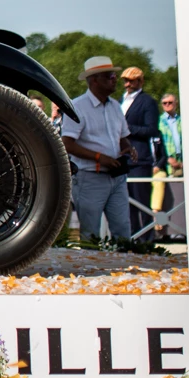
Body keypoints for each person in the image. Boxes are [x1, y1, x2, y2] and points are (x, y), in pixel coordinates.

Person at [60, 55, 134, 243]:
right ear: (94, 80)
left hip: (116, 176)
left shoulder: (115, 106)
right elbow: (67, 143)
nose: (114, 79)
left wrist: (129, 149)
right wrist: (100, 157)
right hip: (90, 177)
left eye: (113, 76)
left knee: (123, 229)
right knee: (90, 233)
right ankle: (90, 270)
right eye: (109, 76)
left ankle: (124, 269)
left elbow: (123, 137)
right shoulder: (77, 106)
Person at [119, 67, 161, 235]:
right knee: (127, 203)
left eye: (132, 81)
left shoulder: (147, 101)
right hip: (122, 158)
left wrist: (127, 129)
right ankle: (131, 237)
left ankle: (146, 239)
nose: (128, 84)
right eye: (125, 81)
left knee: (141, 201)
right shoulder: (119, 101)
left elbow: (151, 129)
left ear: (140, 81)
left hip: (140, 159)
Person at [154, 92, 184, 238]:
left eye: (170, 102)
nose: (167, 105)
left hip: (182, 161)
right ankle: (164, 230)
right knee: (167, 195)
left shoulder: (182, 120)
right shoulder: (159, 121)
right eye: (164, 103)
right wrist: (167, 160)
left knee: (181, 194)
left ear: (176, 103)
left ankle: (180, 230)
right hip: (166, 162)